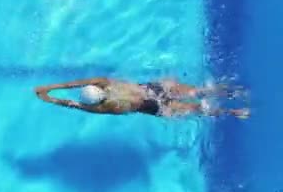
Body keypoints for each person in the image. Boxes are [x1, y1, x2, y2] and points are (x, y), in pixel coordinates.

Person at [34, 77, 249, 119]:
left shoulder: (105, 107)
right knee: (198, 92)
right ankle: (233, 92)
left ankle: (234, 112)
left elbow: (74, 105)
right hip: (153, 88)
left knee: (196, 109)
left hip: (150, 107)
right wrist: (52, 86)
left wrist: (52, 100)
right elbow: (75, 84)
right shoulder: (106, 82)